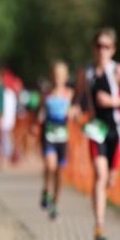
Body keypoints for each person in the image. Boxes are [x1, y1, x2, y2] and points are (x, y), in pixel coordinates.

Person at [78, 28, 120, 240]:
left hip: (117, 131)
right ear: (93, 48)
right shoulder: (85, 72)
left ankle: (101, 212)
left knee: (110, 180)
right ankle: (99, 226)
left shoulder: (118, 71)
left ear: (113, 50)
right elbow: (79, 98)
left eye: (107, 46)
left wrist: (113, 102)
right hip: (97, 129)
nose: (102, 50)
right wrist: (76, 109)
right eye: (98, 46)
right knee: (100, 174)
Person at [38, 61, 76, 221]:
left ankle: (56, 202)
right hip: (48, 135)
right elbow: (41, 111)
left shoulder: (70, 94)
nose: (57, 78)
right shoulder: (46, 94)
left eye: (60, 75)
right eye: (55, 75)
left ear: (66, 77)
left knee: (60, 173)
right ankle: (46, 189)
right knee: (50, 165)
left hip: (63, 137)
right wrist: (38, 120)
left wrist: (73, 113)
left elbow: (75, 112)